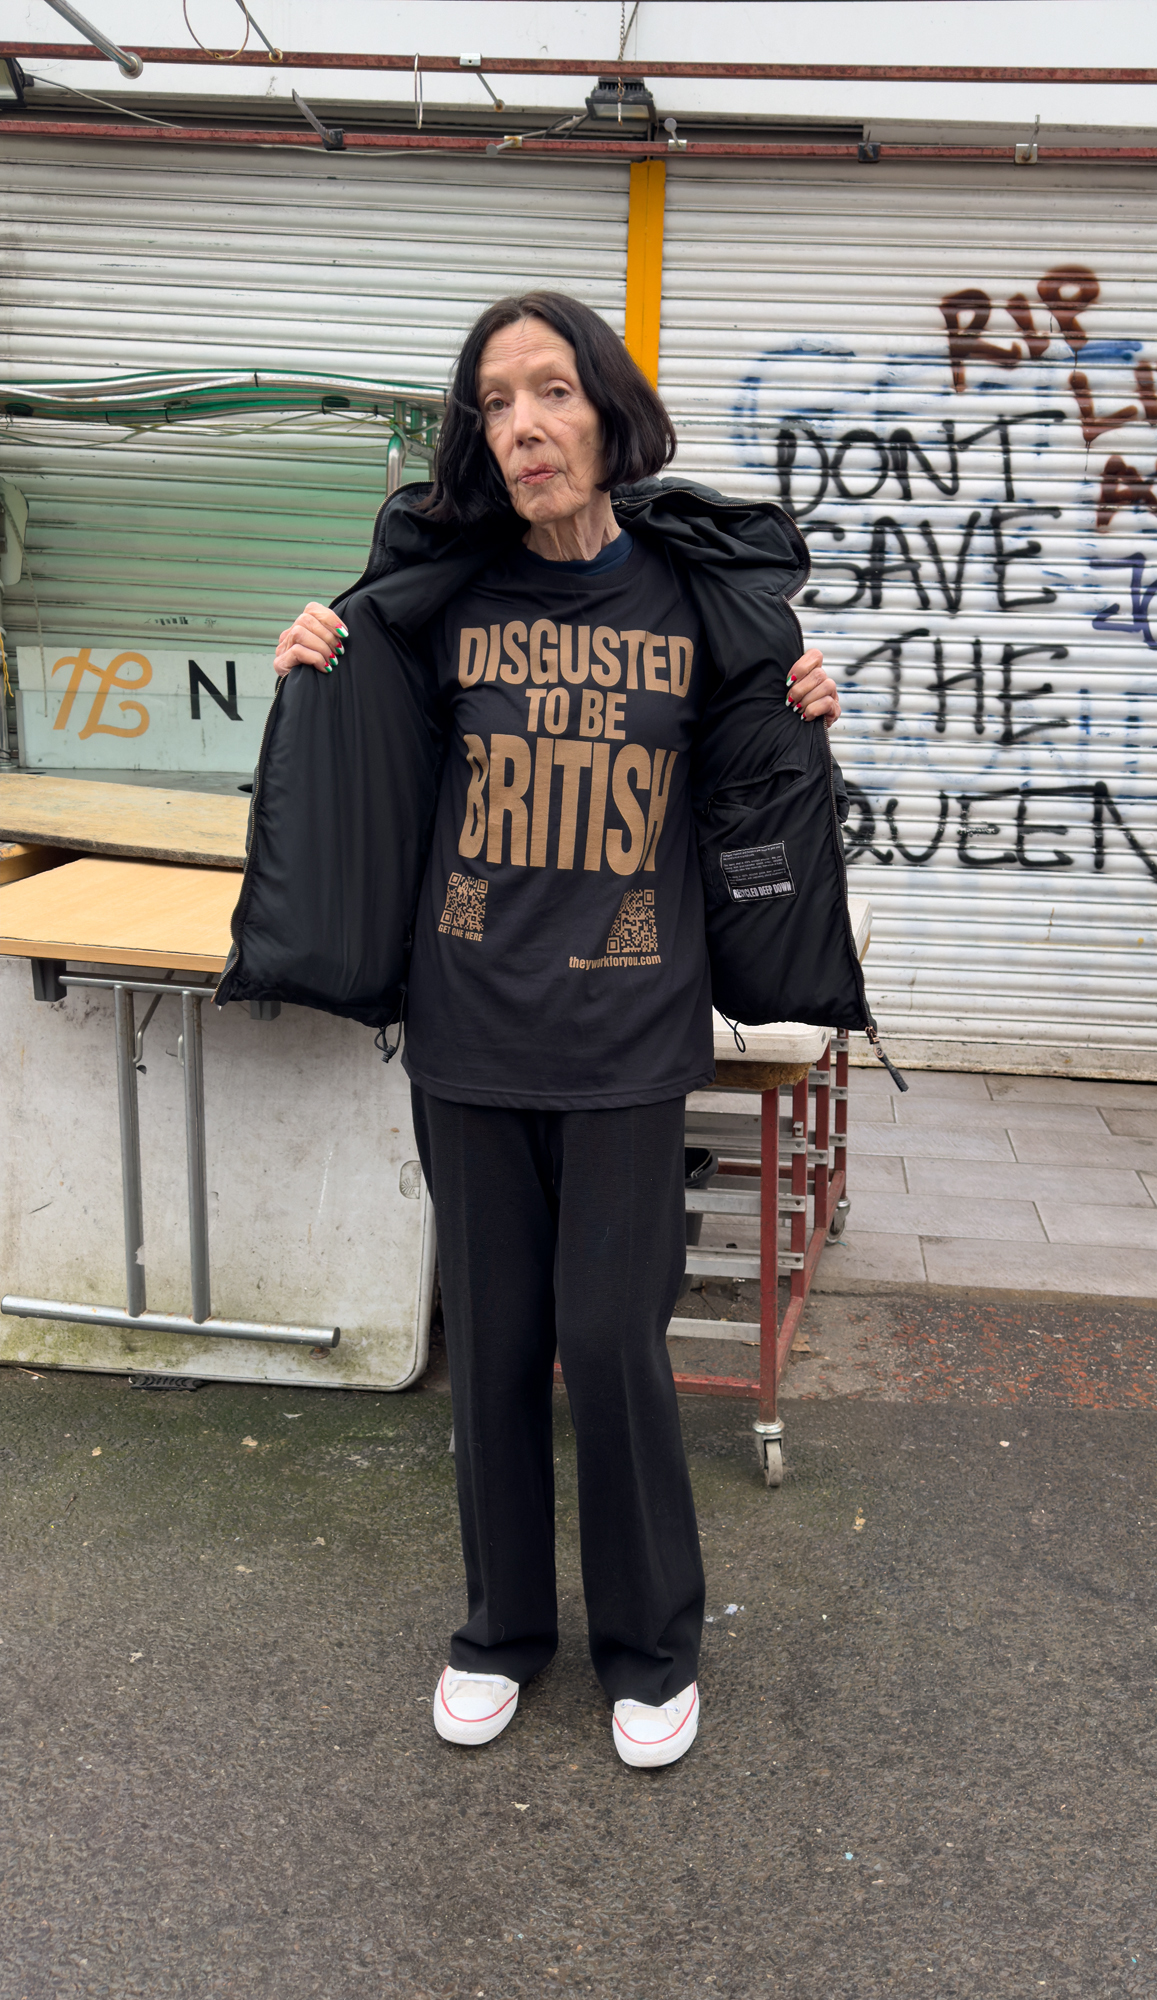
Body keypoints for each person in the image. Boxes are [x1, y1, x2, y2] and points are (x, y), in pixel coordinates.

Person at [220, 291, 885, 1770]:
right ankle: (502, 1630)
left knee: (610, 1341)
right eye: (496, 402)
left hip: (631, 1039)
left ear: (607, 413)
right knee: (499, 1343)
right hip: (471, 1032)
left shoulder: (694, 599)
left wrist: (803, 712)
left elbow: (748, 784)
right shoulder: (439, 599)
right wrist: (314, 665)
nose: (523, 424)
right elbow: (370, 753)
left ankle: (651, 1644)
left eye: (552, 390)